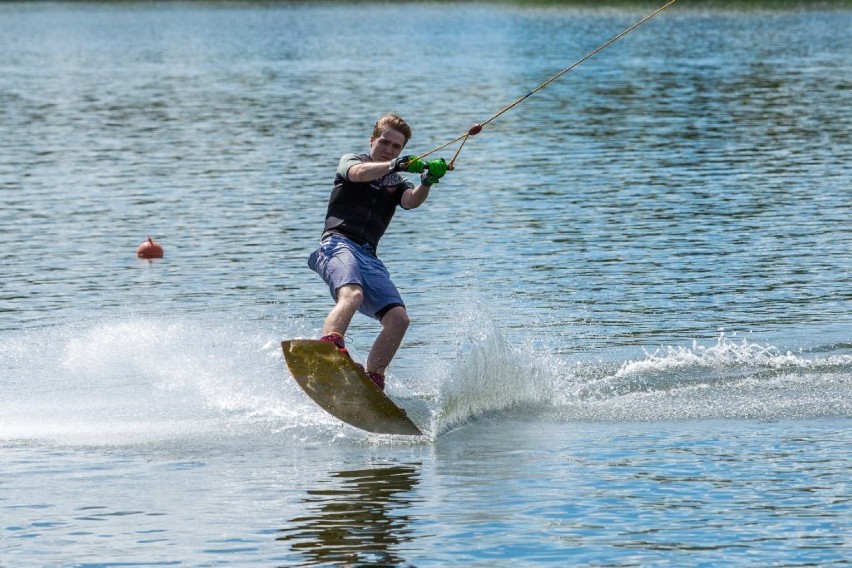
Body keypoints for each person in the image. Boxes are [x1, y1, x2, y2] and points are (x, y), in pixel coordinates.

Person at [308, 113, 448, 390]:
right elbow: (358, 175)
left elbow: (411, 201)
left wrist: (427, 181)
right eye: (385, 142)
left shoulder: (397, 182)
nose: (389, 149)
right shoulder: (353, 161)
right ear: (373, 140)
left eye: (397, 147)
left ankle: (373, 380)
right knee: (353, 294)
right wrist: (393, 164)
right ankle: (329, 349)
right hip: (337, 244)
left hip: (368, 254)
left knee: (398, 319)